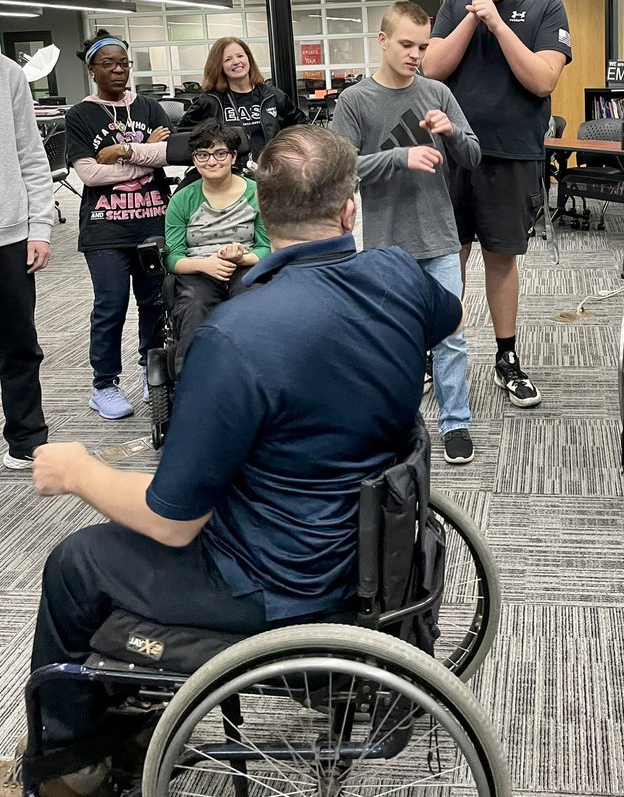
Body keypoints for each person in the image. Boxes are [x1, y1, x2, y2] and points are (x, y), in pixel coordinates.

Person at [22, 125, 462, 786]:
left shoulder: (234, 336)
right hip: (374, 547)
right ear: (350, 210)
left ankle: (71, 763)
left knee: (75, 564)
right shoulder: (399, 272)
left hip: (281, 579)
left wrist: (81, 472)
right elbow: (444, 318)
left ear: (259, 210)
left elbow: (174, 523)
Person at [422, 0, 570, 407]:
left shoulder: (546, 8)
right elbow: (433, 68)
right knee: (449, 257)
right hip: (451, 151)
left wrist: (498, 21)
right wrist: (471, 16)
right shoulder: (453, 6)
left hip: (511, 152)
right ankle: (437, 350)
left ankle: (507, 358)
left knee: (501, 257)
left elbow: (543, 80)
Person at [332, 0, 481, 464]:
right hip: (386, 244)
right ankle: (393, 425)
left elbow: (474, 155)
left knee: (450, 333)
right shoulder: (355, 100)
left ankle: (455, 422)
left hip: (438, 236)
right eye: (406, 44)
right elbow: (341, 169)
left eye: (422, 46)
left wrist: (452, 133)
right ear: (382, 41)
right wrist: (400, 156)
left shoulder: (437, 92)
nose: (415, 54)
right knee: (391, 338)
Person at [65, 31, 172, 420]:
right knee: (110, 306)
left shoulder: (148, 106)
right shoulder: (80, 115)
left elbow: (169, 154)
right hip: (105, 229)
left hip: (153, 221)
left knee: (154, 302)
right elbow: (90, 174)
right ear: (92, 68)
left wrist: (121, 151)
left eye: (123, 63)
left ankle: (151, 369)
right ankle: (104, 384)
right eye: (108, 64)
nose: (118, 70)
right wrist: (145, 157)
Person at [164, 119, 270, 374]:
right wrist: (206, 265)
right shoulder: (182, 200)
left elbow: (267, 247)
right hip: (198, 270)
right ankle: (192, 379)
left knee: (253, 302)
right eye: (203, 155)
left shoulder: (257, 194)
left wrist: (242, 258)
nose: (212, 161)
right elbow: (173, 258)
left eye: (220, 153)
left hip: (243, 267)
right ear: (195, 159)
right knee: (194, 304)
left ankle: (256, 375)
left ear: (233, 157)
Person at [0, 54, 53, 471]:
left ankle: (26, 438)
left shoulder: (8, 73)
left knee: (19, 343)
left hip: (10, 233)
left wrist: (40, 227)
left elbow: (33, 158)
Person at [178, 36, 306, 163]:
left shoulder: (273, 96)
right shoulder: (210, 101)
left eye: (240, 56)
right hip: (230, 175)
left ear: (248, 58)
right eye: (228, 59)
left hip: (272, 171)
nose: (236, 62)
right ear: (218, 66)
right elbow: (182, 136)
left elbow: (304, 128)